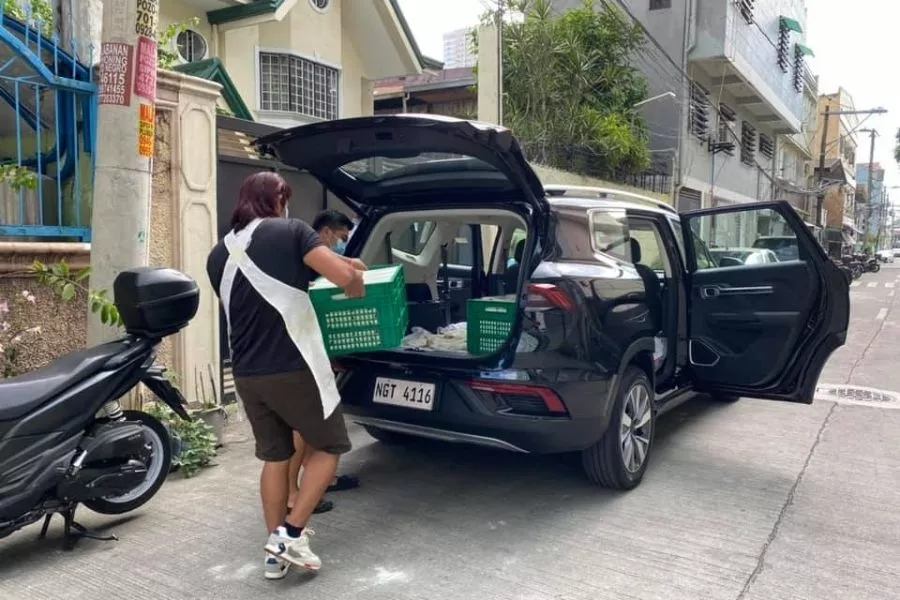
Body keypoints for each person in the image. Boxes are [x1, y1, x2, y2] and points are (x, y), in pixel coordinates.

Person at [206, 172, 366, 580]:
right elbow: (343, 279)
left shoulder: (218, 253)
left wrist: (341, 262)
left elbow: (274, 285)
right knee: (329, 445)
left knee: (275, 457)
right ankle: (292, 534)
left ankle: (275, 554)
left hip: (246, 372)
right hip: (294, 366)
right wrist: (354, 277)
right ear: (279, 201)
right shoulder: (292, 231)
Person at [288, 209, 362, 517]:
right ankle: (292, 495)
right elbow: (348, 277)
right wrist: (351, 270)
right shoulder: (305, 254)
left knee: (314, 422)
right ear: (327, 232)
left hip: (311, 348)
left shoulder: (310, 254)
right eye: (341, 237)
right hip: (298, 352)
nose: (342, 243)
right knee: (302, 426)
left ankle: (321, 480)